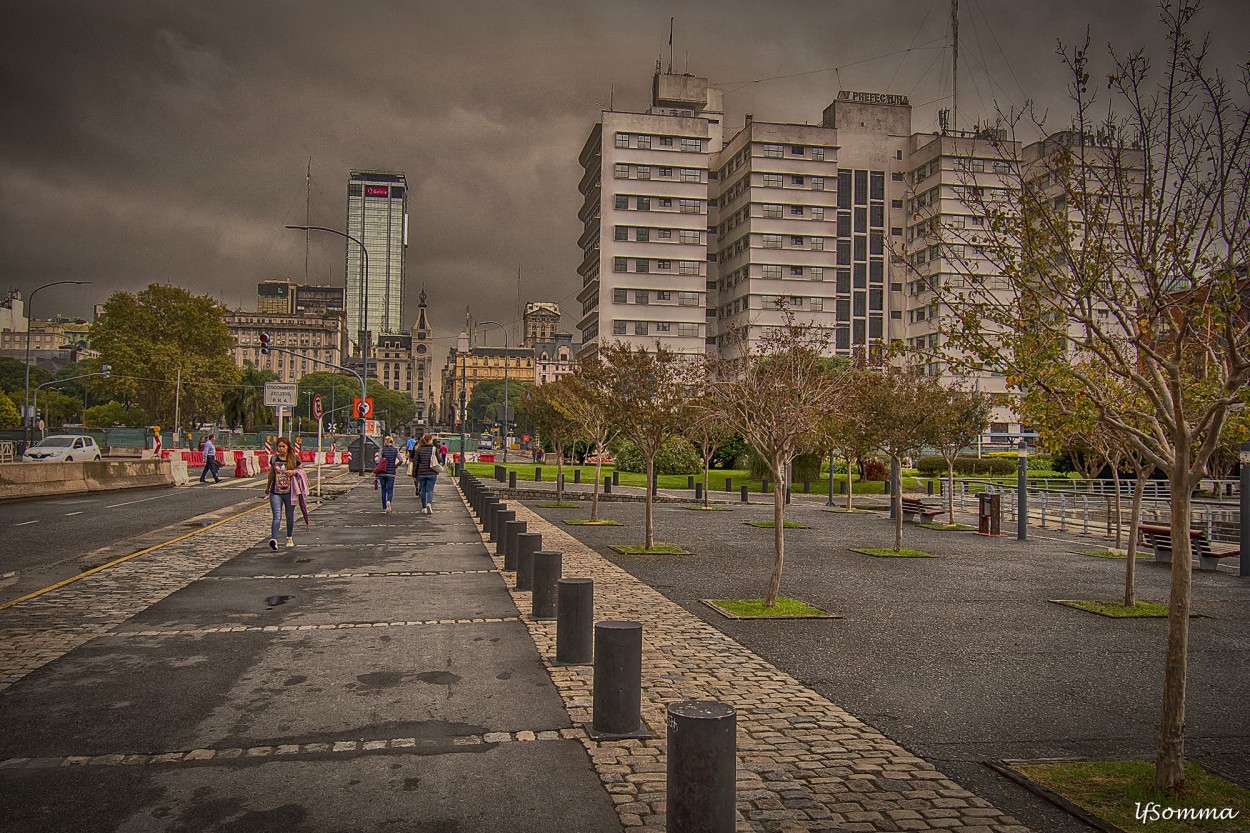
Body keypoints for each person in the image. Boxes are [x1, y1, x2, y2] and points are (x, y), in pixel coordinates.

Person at [265, 437, 302, 550]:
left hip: (290, 492)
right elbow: (271, 473)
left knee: (289, 516)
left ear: (287, 447)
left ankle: (289, 537)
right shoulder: (274, 458)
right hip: (275, 491)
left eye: (283, 446)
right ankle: (274, 539)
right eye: (279, 446)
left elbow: (301, 472)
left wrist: (293, 472)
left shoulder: (294, 458)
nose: (281, 449)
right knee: (277, 515)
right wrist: (267, 487)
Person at [412, 433, 439, 514]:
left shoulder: (419, 449)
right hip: (432, 472)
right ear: (430, 440)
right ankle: (429, 503)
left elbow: (415, 463)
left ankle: (424, 507)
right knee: (430, 490)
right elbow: (440, 460)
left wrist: (414, 474)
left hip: (422, 473)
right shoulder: (434, 449)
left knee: (423, 490)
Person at [377, 435, 400, 513]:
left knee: (383, 489)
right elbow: (401, 460)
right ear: (392, 442)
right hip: (391, 472)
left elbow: (378, 460)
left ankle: (384, 507)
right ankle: (389, 501)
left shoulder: (382, 450)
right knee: (390, 489)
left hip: (382, 472)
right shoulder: (395, 450)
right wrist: (396, 465)